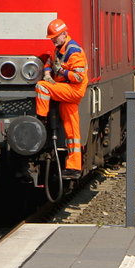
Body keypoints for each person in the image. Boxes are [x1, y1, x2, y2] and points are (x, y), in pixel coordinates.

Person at [34, 18, 88, 178]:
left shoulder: (74, 51)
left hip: (72, 90)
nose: (52, 40)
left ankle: (41, 120)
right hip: (66, 91)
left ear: (64, 34)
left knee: (42, 87)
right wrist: (47, 72)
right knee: (72, 131)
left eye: (55, 37)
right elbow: (51, 61)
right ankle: (74, 168)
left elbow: (78, 77)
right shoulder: (59, 49)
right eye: (51, 37)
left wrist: (60, 72)